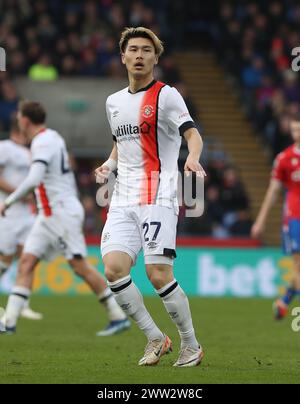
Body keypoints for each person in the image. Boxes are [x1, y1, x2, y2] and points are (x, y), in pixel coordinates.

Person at [95, 27, 206, 367]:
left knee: (158, 274)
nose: (140, 55)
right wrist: (109, 163)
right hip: (123, 196)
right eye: (134, 50)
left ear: (156, 58)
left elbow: (192, 133)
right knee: (114, 269)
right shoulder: (113, 102)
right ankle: (155, 338)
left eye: (146, 50)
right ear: (123, 57)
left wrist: (192, 156)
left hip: (159, 193)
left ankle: (191, 344)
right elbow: (120, 140)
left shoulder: (167, 95)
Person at [0, 101, 130, 336]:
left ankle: (117, 315)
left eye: (20, 117)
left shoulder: (42, 141)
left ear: (25, 120)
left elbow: (34, 178)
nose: (19, 121)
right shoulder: (53, 138)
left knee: (79, 266)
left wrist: (7, 203)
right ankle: (8, 322)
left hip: (60, 213)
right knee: (27, 262)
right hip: (49, 214)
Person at [251, 113, 300, 319]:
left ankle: (284, 300)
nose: (297, 133)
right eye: (295, 129)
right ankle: (285, 300)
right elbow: (273, 192)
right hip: (294, 218)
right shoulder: (284, 158)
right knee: (298, 266)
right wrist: (260, 221)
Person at [0, 119, 43, 320]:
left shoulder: (29, 152)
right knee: (5, 260)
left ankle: (23, 303)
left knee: (30, 257)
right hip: (7, 213)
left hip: (27, 214)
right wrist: (19, 194)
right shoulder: (4, 147)